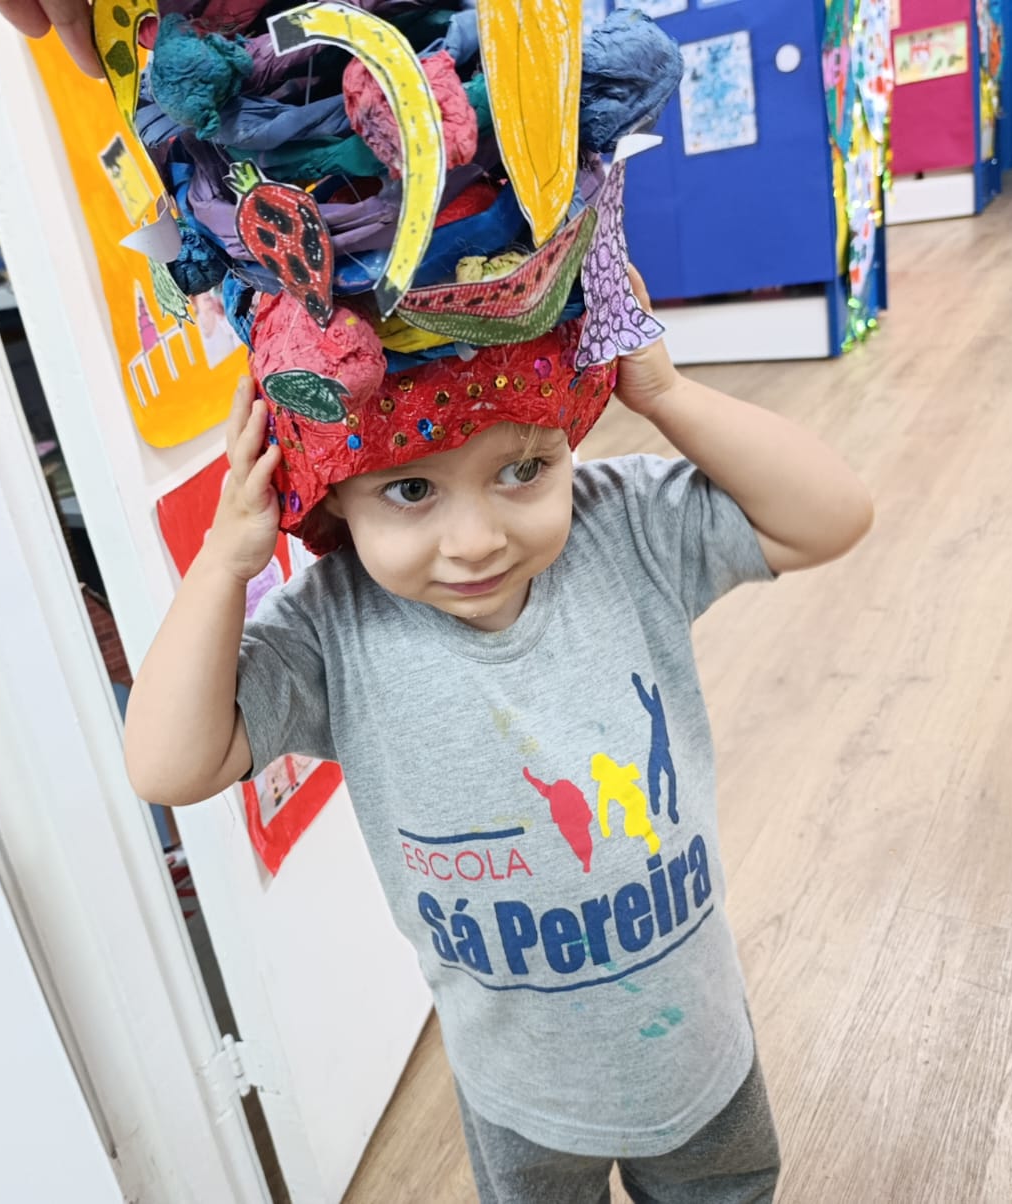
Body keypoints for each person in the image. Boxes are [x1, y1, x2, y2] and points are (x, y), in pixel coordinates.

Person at [124, 262, 872, 1202]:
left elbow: (832, 517)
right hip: (520, 1095)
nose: (476, 539)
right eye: (409, 490)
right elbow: (168, 765)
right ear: (332, 499)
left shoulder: (624, 530)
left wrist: (666, 395)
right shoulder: (331, 630)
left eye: (524, 470)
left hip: (698, 1057)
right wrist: (225, 559)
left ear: (567, 443)